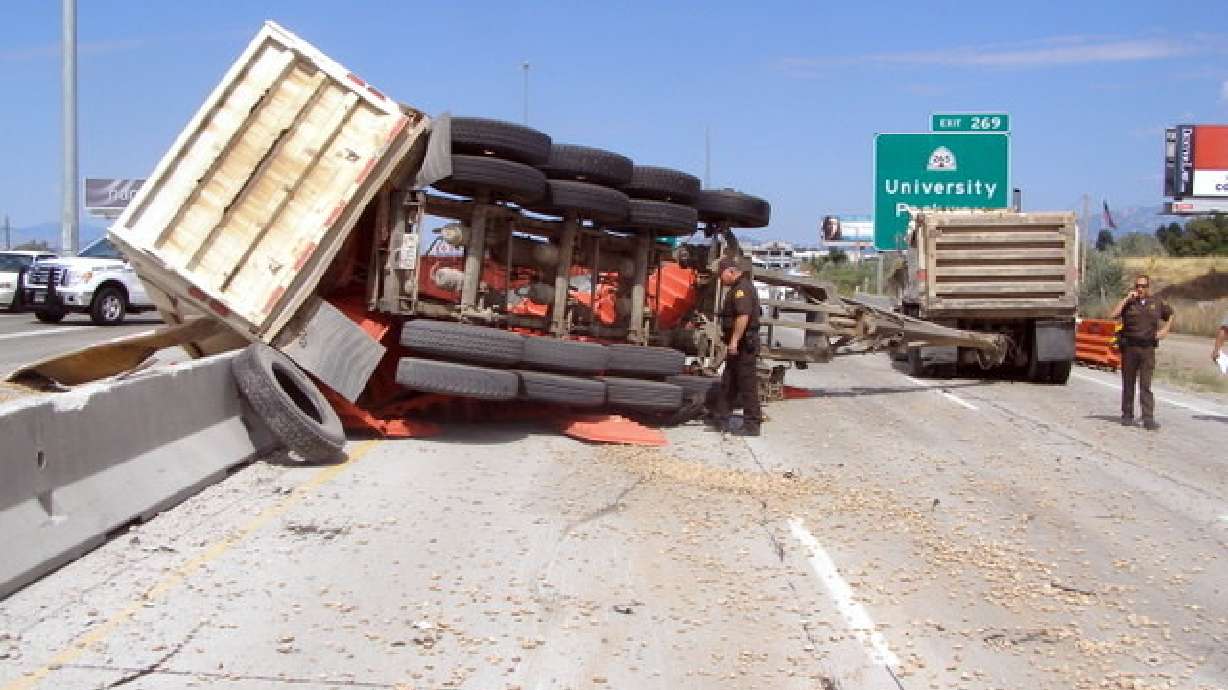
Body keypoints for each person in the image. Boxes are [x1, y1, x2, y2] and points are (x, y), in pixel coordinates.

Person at [1110, 274, 1174, 430]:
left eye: (1143, 286)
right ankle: (1127, 414)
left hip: (1147, 348)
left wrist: (1165, 330)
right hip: (1130, 348)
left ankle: (1148, 418)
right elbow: (1113, 315)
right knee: (1128, 383)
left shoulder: (1156, 302)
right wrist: (1126, 298)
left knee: (1145, 385)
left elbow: (1170, 314)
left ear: (1148, 287)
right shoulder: (1129, 302)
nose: (1140, 289)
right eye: (1138, 286)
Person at [710, 256, 763, 436]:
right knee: (729, 382)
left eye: (721, 274)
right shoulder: (737, 288)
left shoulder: (742, 289)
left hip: (743, 344)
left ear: (731, 271)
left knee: (747, 384)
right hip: (738, 344)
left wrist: (734, 341)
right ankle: (721, 418)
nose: (720, 279)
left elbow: (743, 316)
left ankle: (752, 424)